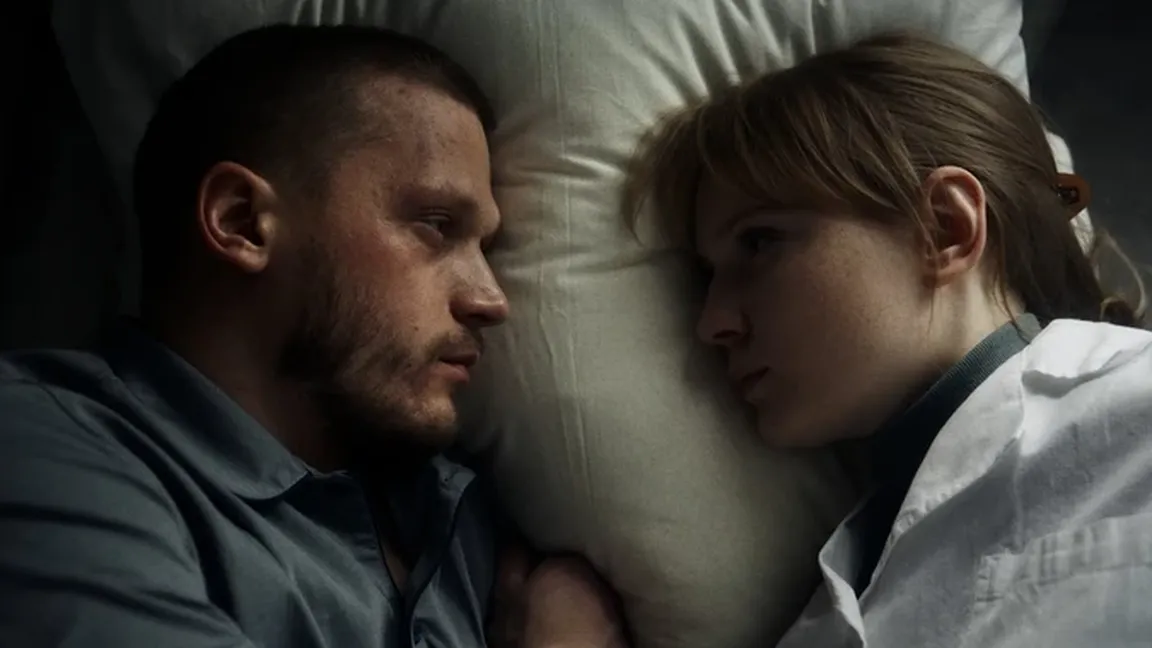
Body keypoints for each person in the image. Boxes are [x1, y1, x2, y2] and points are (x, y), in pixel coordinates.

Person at [537, 30, 1152, 647]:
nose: (712, 322)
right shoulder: (826, 605)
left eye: (759, 242)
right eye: (708, 277)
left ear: (945, 227)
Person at [0, 23, 521, 647]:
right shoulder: (40, 449)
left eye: (486, 247)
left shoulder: (464, 512)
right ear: (242, 221)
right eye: (436, 225)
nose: (491, 299)